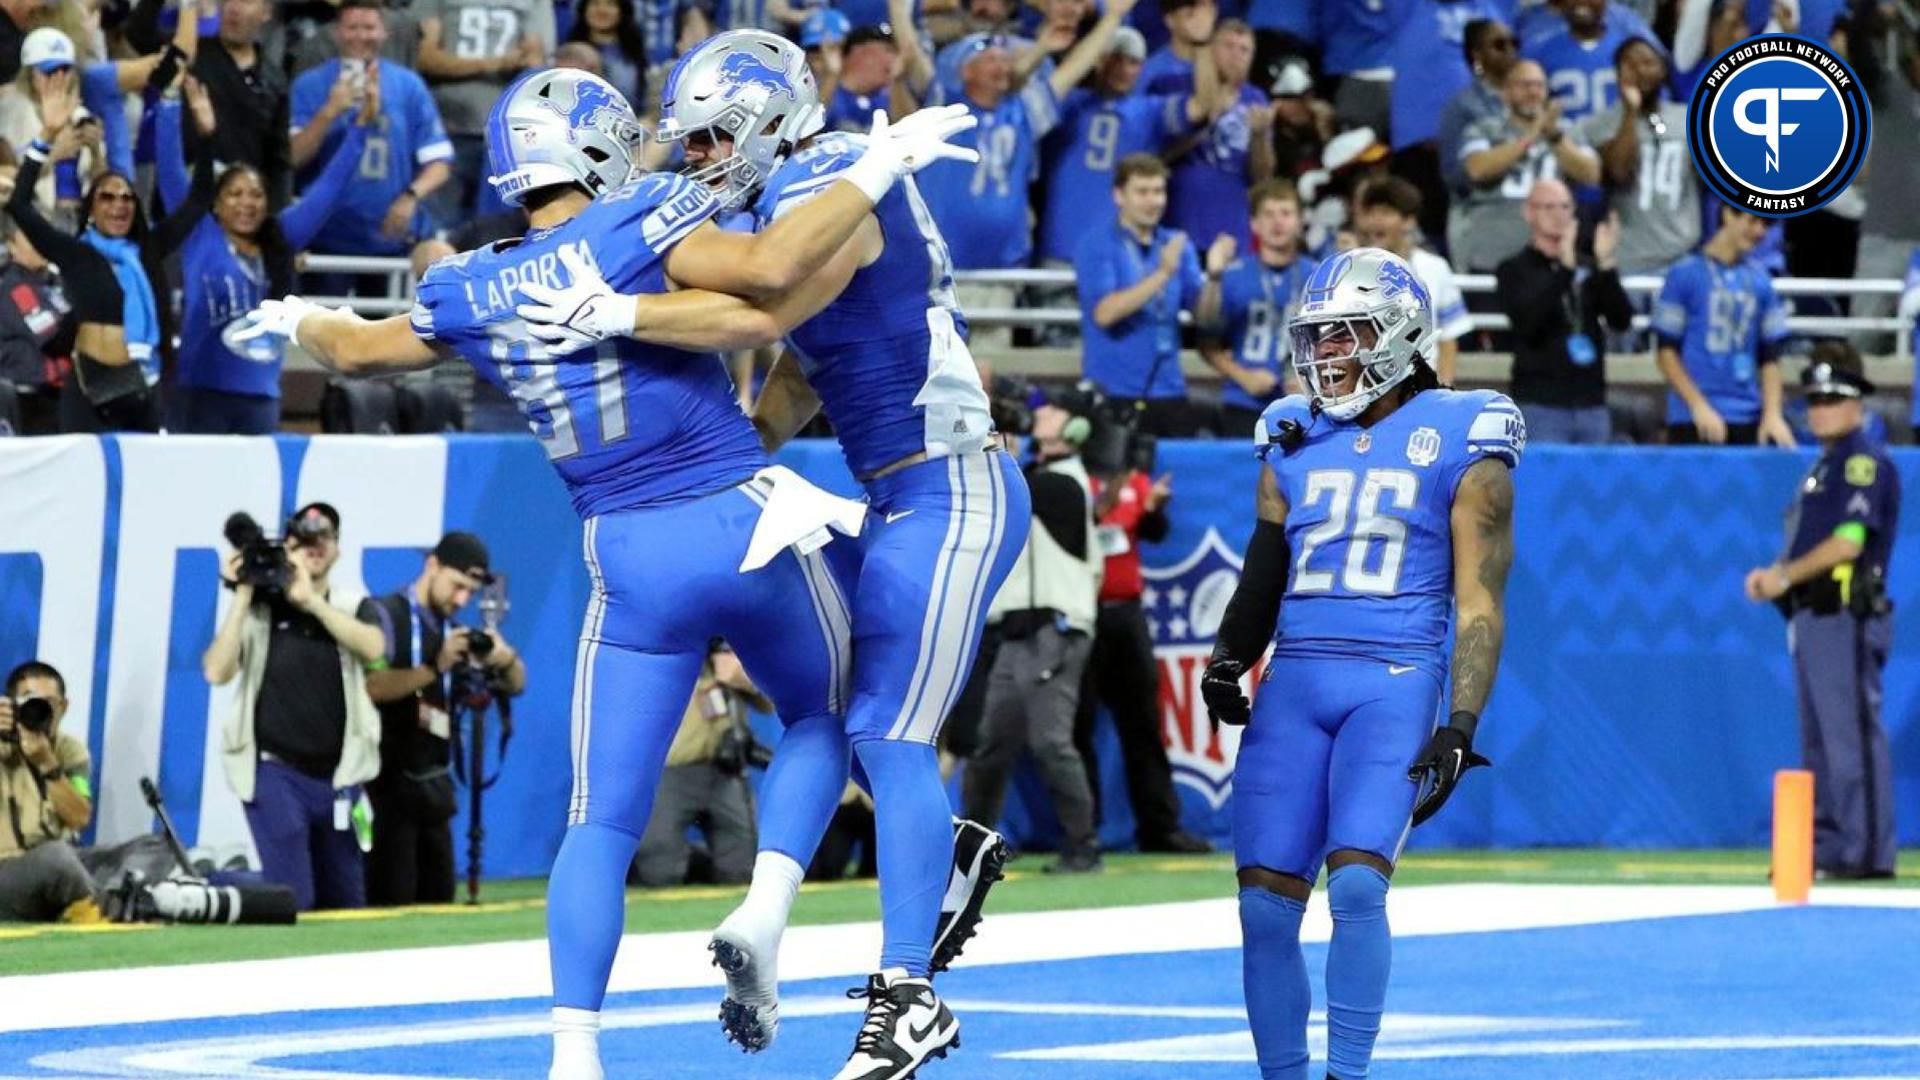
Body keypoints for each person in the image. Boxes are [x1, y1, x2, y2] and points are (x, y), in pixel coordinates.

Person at [233, 68, 983, 1080]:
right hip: (739, 520)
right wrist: (875, 172)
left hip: (624, 553)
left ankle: (573, 1050)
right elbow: (765, 278)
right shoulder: (637, 217)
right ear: (587, 147)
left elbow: (359, 351)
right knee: (840, 718)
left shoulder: (468, 282)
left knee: (600, 819)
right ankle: (775, 908)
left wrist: (292, 320)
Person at [529, 36, 1029, 1076]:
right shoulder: (787, 194)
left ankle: (910, 994)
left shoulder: (827, 173)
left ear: (767, 115)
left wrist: (623, 313)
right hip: (894, 490)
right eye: (695, 137)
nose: (703, 155)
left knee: (890, 733)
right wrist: (727, 463)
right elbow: (803, 370)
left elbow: (776, 299)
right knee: (845, 710)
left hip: (955, 481)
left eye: (715, 133)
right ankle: (917, 875)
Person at [1200, 247, 1521, 1080]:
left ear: (1400, 333)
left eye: (1346, 336)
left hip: (1394, 677)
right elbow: (1265, 566)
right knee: (1265, 912)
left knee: (1355, 889)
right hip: (1295, 682)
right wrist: (1230, 656)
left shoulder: (1466, 428)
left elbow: (1480, 599)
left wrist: (1460, 722)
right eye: (1320, 338)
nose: (1328, 355)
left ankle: (1347, 1075)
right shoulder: (1289, 434)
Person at [1743, 348, 1899, 881]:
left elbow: (1849, 542)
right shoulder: (1825, 467)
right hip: (1814, 615)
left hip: (1844, 613)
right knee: (1821, 737)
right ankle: (1831, 845)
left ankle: (1864, 849)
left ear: (1857, 404)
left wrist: (1783, 576)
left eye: (1833, 399)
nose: (1820, 409)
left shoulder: (1862, 463)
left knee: (1848, 734)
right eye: (1814, 399)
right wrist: (1780, 578)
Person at [201, 503, 388, 912]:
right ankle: (214, 883)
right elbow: (216, 671)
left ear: (338, 550)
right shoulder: (263, 610)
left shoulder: (353, 605)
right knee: (296, 898)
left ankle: (225, 879)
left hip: (341, 777)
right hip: (276, 771)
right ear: (288, 546)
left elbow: (375, 648)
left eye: (324, 540)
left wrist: (313, 603)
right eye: (304, 541)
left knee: (345, 904)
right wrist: (244, 592)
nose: (314, 548)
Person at [157, 77, 366, 435]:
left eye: (255, 195)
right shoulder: (199, 233)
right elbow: (169, 170)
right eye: (235, 194)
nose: (246, 203)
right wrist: (170, 103)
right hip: (200, 394)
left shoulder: (280, 239)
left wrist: (361, 127)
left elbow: (328, 189)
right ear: (217, 205)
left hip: (261, 398)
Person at [964, 396, 1103, 873]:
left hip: (1056, 630)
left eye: (1051, 411)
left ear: (1076, 429)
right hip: (1019, 631)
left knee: (1050, 742)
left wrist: (996, 448)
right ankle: (974, 852)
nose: (1039, 414)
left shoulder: (1066, 482)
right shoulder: (1037, 478)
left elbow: (1026, 489)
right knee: (990, 745)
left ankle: (1082, 847)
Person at [362, 532, 527, 906]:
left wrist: (505, 660)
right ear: (433, 565)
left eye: (469, 592)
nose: (461, 599)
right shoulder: (382, 614)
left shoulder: (454, 632)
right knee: (393, 900)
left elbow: (516, 685)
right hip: (384, 784)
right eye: (456, 586)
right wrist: (436, 666)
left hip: (434, 785)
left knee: (439, 900)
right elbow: (374, 687)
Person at [5, 75, 161, 433]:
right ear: (91, 209)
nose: (119, 205)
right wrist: (47, 135)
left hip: (132, 378)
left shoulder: (146, 252)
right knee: (82, 475)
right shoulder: (74, 254)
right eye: (108, 197)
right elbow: (18, 204)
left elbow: (197, 202)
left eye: (127, 198)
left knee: (146, 473)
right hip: (87, 379)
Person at [1076, 451, 1209, 853]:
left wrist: (1151, 511)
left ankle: (1159, 827)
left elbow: (1155, 533)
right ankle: (1083, 832)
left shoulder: (1134, 483)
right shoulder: (1072, 481)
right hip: (1081, 615)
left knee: (1144, 727)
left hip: (1127, 616)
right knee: (1076, 731)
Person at [289, 0, 455, 266]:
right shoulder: (310, 85)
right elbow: (292, 158)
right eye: (352, 27)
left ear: (384, 31)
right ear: (336, 32)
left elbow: (439, 162)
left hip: (392, 236)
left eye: (369, 27)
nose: (361, 36)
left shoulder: (408, 85)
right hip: (325, 235)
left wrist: (410, 196)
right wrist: (328, 112)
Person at [1075, 153, 1206, 436]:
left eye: (1158, 191)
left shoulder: (1177, 245)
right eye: (1142, 192)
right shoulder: (1096, 245)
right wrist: (1162, 274)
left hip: (1169, 389)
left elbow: (1202, 314)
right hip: (1113, 389)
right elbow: (1105, 313)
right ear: (1119, 195)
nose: (1153, 201)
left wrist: (1216, 277)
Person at [1495, 178, 1631, 444]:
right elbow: (1528, 323)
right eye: (1548, 207)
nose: (1558, 216)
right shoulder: (1514, 269)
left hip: (1591, 401)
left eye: (1565, 207)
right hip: (1540, 402)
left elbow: (1620, 320)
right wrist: (1566, 272)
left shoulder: (1589, 267)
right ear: (1529, 212)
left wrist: (1606, 266)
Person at [1653, 204, 1795, 447]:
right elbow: (1666, 352)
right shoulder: (1683, 274)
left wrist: (1772, 414)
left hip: (1748, 416)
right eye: (1753, 221)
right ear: (1728, 213)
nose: (1759, 231)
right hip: (1693, 417)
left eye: (1766, 225)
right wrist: (1697, 404)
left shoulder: (1762, 282)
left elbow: (1770, 356)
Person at [633, 642, 768, 887]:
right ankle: (693, 861)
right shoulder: (664, 658)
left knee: (742, 865)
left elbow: (769, 704)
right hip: (675, 772)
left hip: (725, 771)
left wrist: (740, 678)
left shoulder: (729, 662)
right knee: (658, 866)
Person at [1451, 58, 1599, 272]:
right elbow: (1477, 169)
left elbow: (1591, 174)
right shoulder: (1484, 129)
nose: (1533, 92)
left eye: (1539, 85)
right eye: (1524, 85)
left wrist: (1554, 136)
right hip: (1493, 254)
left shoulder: (1568, 132)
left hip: (1552, 256)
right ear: (1504, 93)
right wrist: (1530, 136)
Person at [416, 0, 552, 221]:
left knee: (494, 230)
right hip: (448, 128)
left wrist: (462, 65)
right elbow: (426, 59)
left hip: (506, 138)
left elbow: (535, 59)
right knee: (441, 229)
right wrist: (494, 64)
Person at [1199, 177, 1316, 434]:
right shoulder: (1233, 275)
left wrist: (1312, 383)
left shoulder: (1319, 276)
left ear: (1299, 221)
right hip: (1244, 402)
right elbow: (1206, 339)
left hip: (1305, 403)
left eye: (1285, 213)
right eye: (1268, 214)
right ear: (1254, 224)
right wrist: (1244, 376)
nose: (1277, 222)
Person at [1582, 35, 1696, 278]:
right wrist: (1630, 113)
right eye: (1629, 64)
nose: (1639, 71)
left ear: (1663, 70)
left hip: (1681, 258)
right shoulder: (1601, 124)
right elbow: (1619, 172)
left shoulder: (1690, 119)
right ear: (1617, 73)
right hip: (1627, 261)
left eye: (1647, 62)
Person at [0, 661, 96, 922]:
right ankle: (103, 910)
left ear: (63, 708)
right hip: (7, 874)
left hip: (53, 867)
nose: (38, 711)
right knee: (57, 859)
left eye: (49, 704)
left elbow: (79, 818)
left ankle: (95, 900)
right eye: (29, 702)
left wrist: (47, 764)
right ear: (11, 705)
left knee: (152, 847)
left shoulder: (70, 750)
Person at [1352, 177, 1470, 383]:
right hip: (1365, 389)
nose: (1377, 221)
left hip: (1421, 388)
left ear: (1409, 221)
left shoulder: (1435, 268)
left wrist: (1443, 388)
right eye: (1371, 213)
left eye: (1386, 213)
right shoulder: (1349, 270)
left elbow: (1449, 336)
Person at [566, 0, 646, 108]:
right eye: (595, 3)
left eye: (610, 4)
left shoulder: (635, 51)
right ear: (584, 10)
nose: (602, 10)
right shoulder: (569, 52)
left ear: (622, 11)